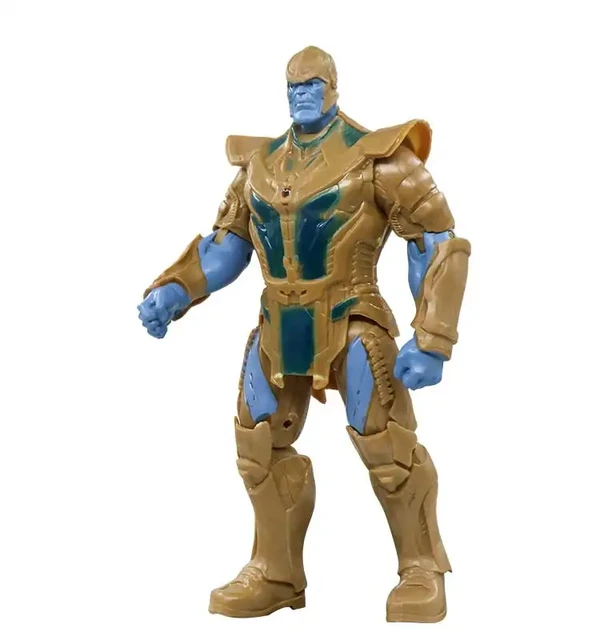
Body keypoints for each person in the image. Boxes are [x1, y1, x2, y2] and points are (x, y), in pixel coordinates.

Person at [138, 45, 471, 623]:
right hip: (278, 326)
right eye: (294, 86)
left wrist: (432, 337)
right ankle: (276, 571)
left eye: (312, 84)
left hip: (353, 318)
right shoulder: (259, 167)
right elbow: (226, 245)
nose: (302, 94)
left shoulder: (380, 157)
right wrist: (174, 292)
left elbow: (435, 242)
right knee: (257, 447)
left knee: (388, 449)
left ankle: (421, 567)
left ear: (333, 88)